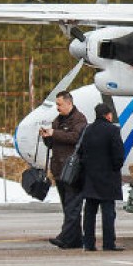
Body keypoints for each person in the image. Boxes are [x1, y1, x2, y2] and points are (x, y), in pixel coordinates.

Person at [41, 90, 88, 249]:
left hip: (73, 170)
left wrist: (55, 133)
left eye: (59, 104)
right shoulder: (57, 120)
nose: (57, 107)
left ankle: (65, 236)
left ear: (69, 103)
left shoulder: (79, 119)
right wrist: (47, 137)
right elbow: (54, 143)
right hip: (59, 169)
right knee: (67, 206)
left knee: (72, 206)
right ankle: (75, 239)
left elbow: (76, 138)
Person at [79, 103, 126, 251]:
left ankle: (89, 243)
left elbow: (80, 152)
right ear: (108, 115)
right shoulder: (113, 130)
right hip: (108, 178)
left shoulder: (88, 130)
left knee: (89, 212)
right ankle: (108, 243)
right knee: (108, 212)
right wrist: (115, 168)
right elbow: (119, 154)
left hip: (91, 177)